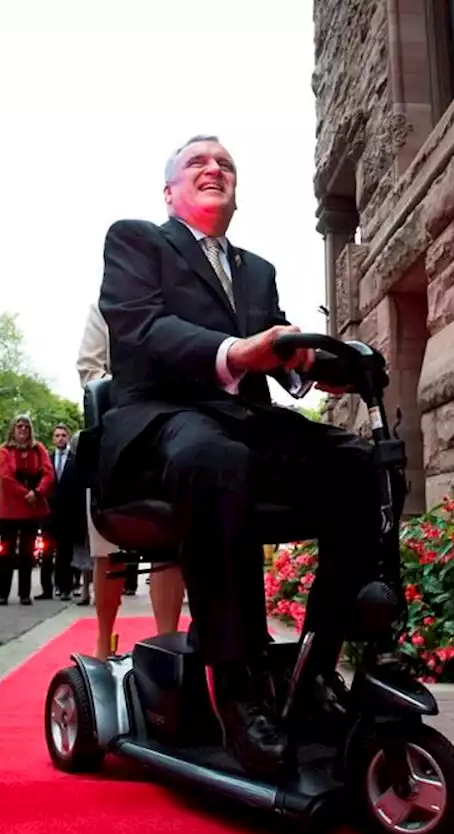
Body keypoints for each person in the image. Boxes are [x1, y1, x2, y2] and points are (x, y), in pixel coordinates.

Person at [96, 135, 393, 777]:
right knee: (215, 456)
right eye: (198, 162)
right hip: (161, 421)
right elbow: (141, 327)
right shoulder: (136, 241)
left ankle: (313, 668)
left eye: (226, 164)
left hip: (243, 422)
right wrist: (237, 350)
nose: (214, 168)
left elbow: (281, 355)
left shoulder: (256, 269)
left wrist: (320, 369)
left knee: (356, 464)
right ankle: (237, 686)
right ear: (170, 191)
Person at [76, 300, 186, 658]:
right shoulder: (106, 308)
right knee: (108, 552)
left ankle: (167, 641)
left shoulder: (178, 302)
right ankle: (104, 639)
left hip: (173, 428)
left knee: (170, 545)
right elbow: (90, 370)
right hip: (120, 427)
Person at [0, 413, 54, 605]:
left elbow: (48, 473)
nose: (22, 430)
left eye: (26, 427)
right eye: (19, 426)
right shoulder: (5, 450)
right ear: (13, 429)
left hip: (32, 506)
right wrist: (24, 493)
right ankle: (3, 593)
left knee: (28, 552)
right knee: (7, 552)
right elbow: (6, 476)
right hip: (11, 507)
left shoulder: (39, 449)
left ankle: (24, 593)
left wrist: (37, 493)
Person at [43, 423, 78, 600]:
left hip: (68, 514)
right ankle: (47, 589)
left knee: (65, 553)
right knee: (47, 552)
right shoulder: (46, 460)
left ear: (68, 438)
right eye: (57, 435)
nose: (60, 438)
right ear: (53, 438)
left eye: (63, 435)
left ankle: (65, 588)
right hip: (49, 513)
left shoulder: (75, 460)